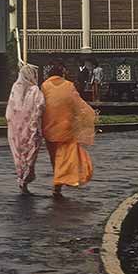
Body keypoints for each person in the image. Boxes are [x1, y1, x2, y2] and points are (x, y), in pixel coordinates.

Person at [41, 63, 96, 197]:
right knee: (64, 157)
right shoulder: (69, 86)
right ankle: (58, 182)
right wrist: (88, 114)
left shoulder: (44, 86)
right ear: (62, 74)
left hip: (48, 127)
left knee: (55, 157)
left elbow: (40, 105)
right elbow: (77, 104)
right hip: (66, 128)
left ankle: (58, 181)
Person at [5, 64, 45, 194]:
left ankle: (21, 178)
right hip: (31, 127)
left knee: (19, 153)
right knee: (30, 152)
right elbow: (41, 106)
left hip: (16, 128)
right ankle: (25, 179)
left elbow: (10, 109)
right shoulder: (35, 90)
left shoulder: (15, 88)